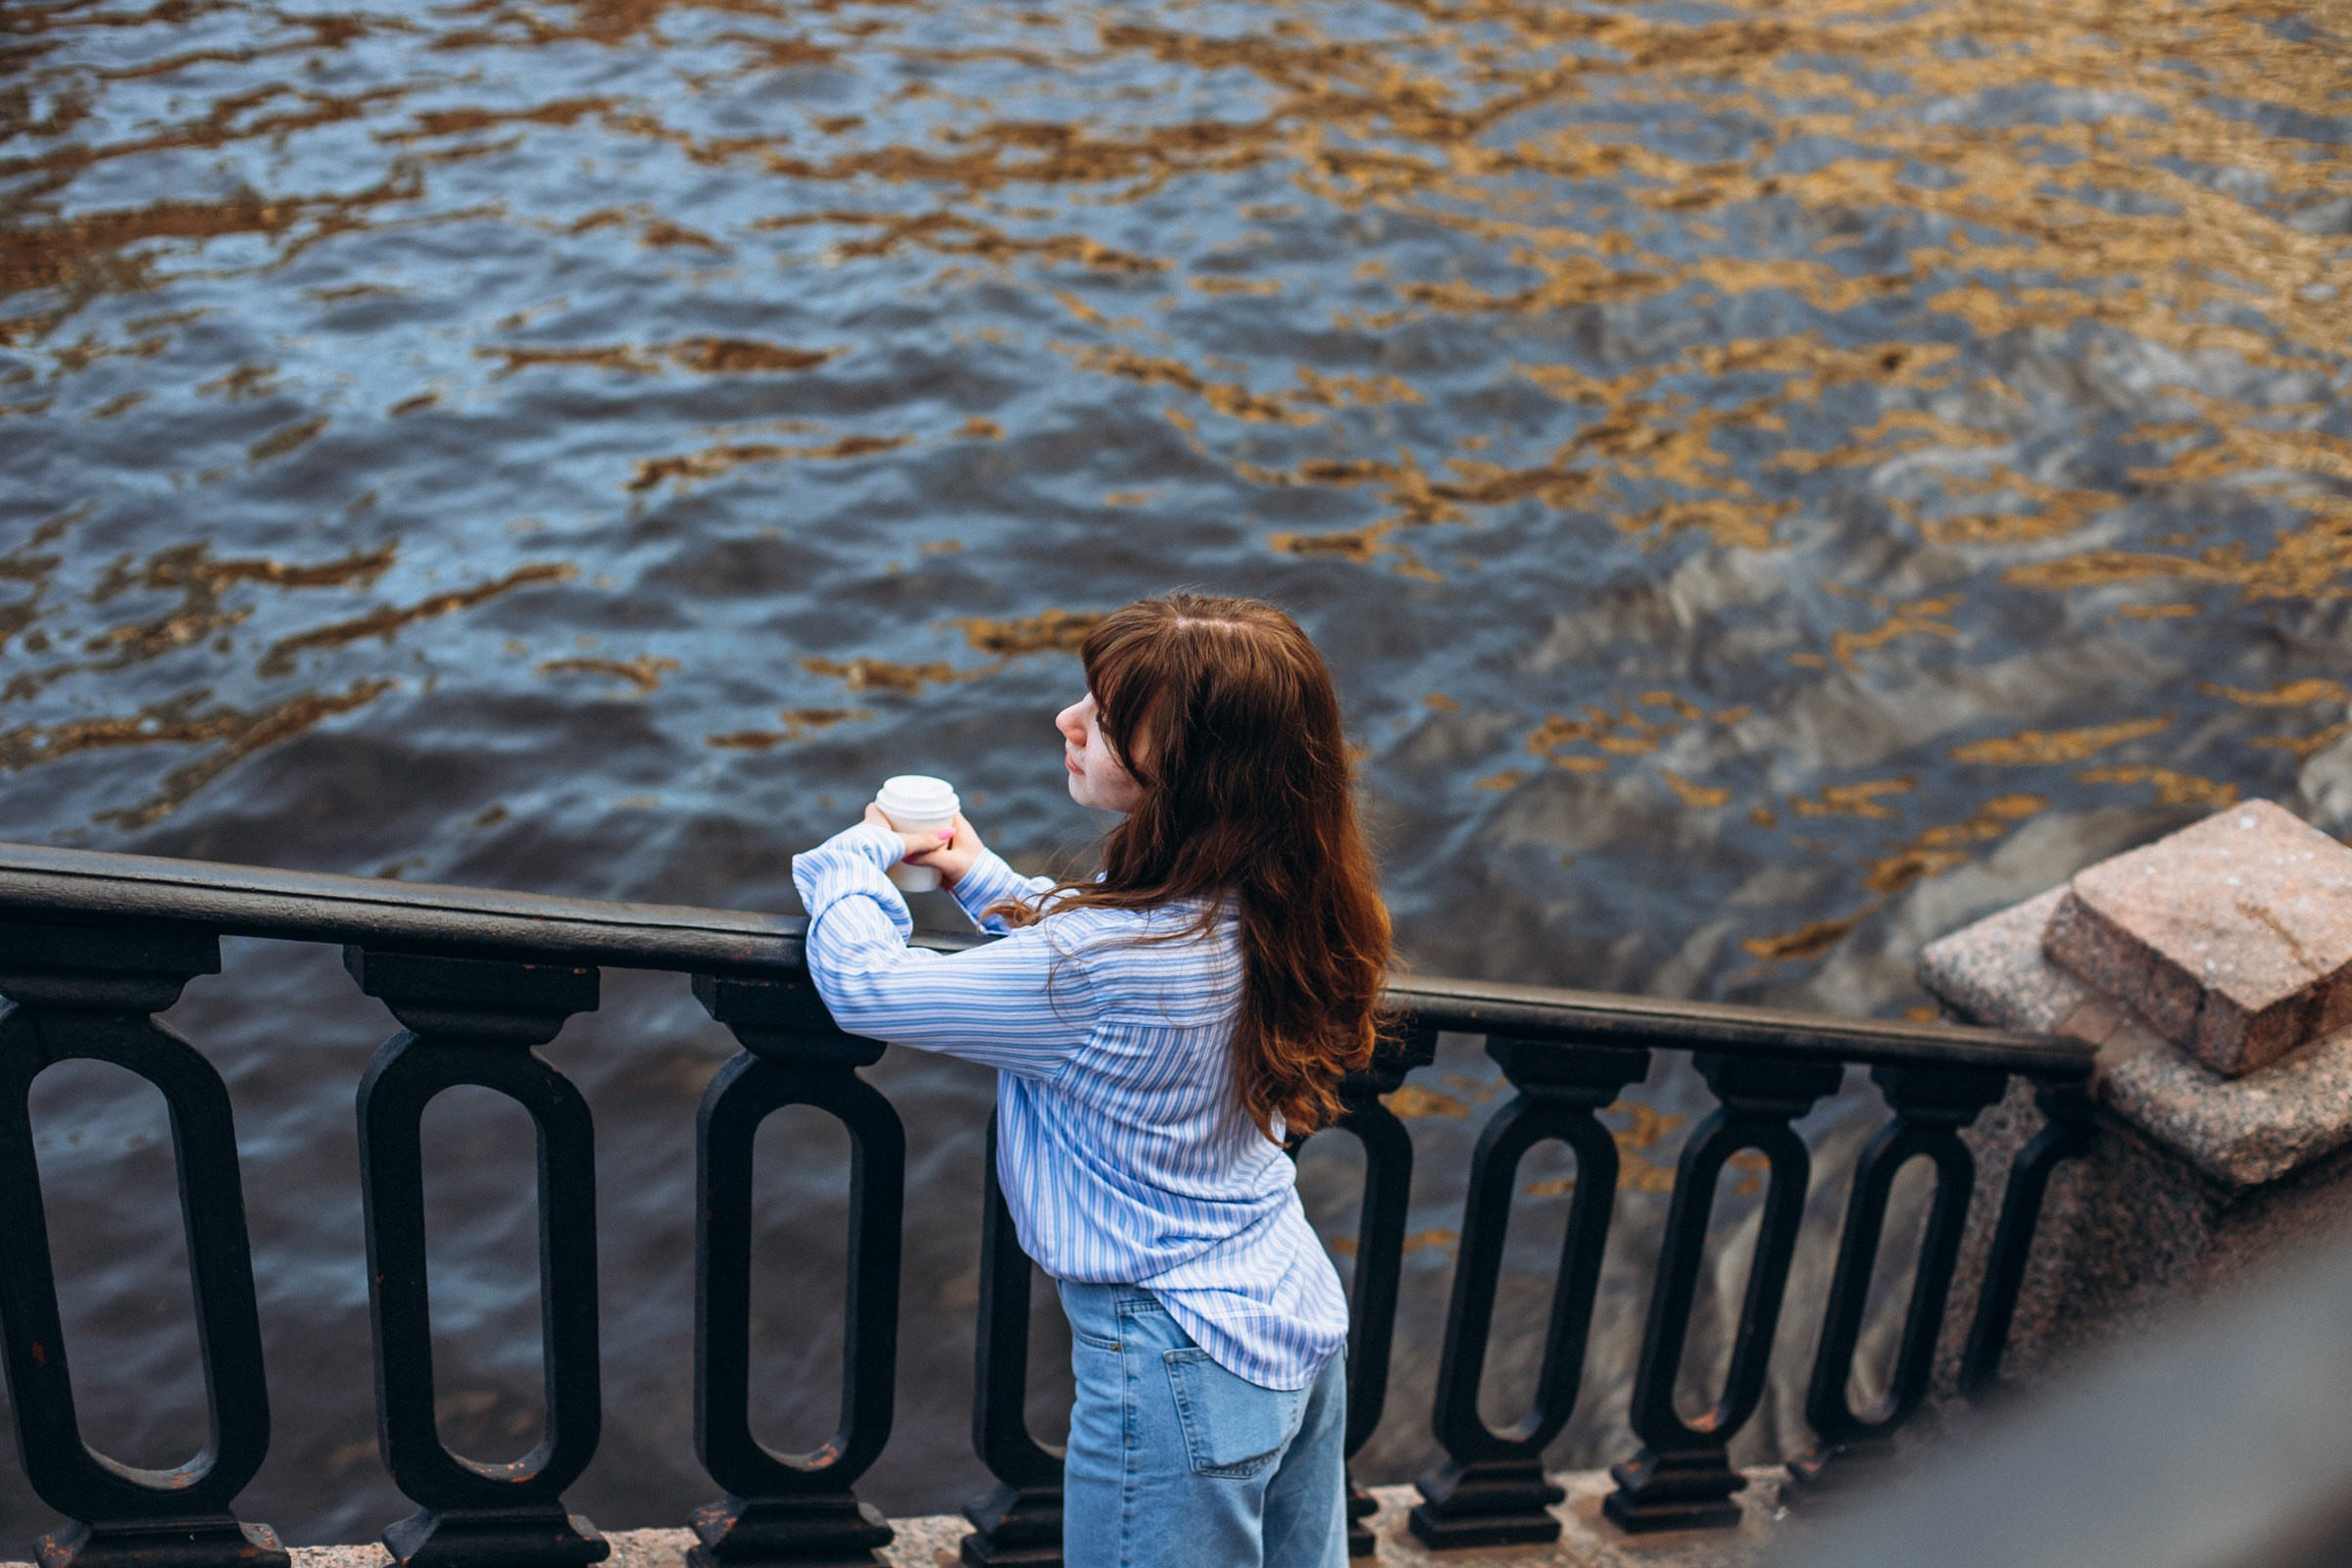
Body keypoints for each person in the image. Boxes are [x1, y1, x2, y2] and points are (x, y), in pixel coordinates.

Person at [790, 593, 1393, 1568]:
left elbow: (869, 987)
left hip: (1179, 1362)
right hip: (1291, 1319)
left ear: (1188, 770)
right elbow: (1110, 957)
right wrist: (982, 878)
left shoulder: (1098, 967)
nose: (1066, 720)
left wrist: (850, 865)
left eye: (1105, 719)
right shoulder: (1284, 901)